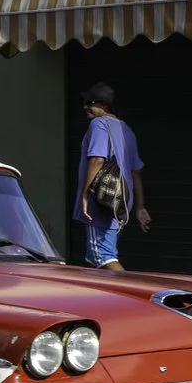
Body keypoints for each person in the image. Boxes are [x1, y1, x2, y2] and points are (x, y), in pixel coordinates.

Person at [74, 82, 150, 270]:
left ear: (104, 105)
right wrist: (140, 208)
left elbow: (97, 159)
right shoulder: (126, 129)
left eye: (90, 103)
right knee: (100, 257)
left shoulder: (98, 124)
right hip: (120, 202)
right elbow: (137, 172)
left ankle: (129, 295)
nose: (85, 107)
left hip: (101, 199)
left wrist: (84, 195)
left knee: (102, 256)